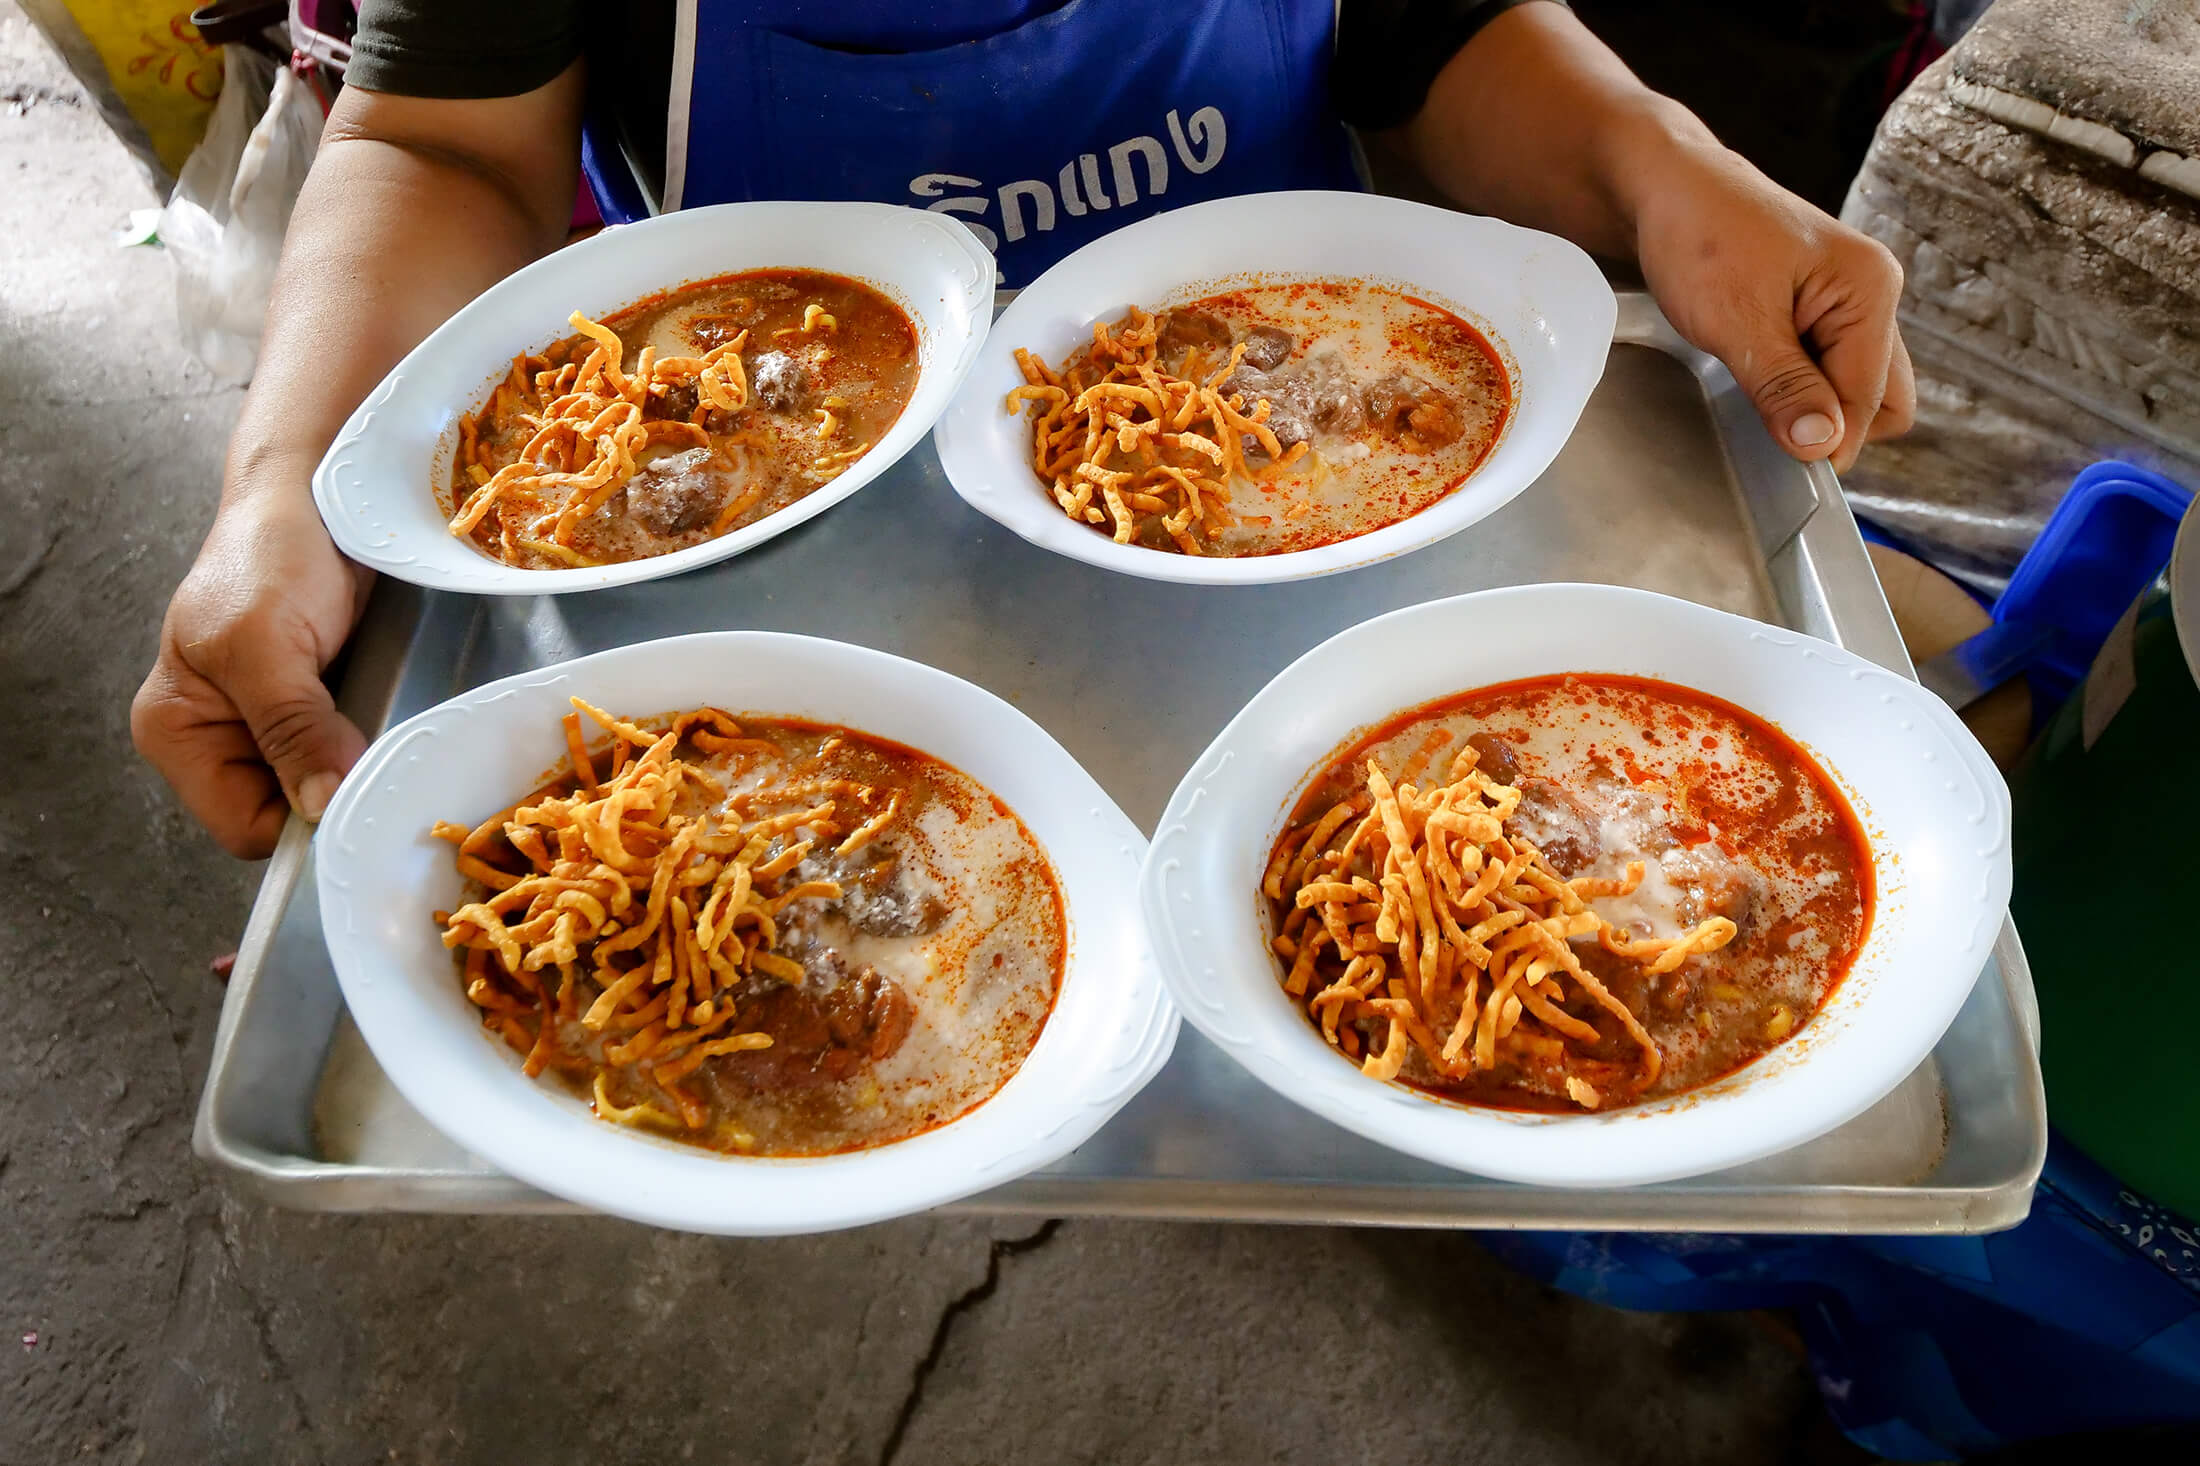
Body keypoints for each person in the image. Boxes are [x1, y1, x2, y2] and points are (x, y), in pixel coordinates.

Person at [133, 0, 1915, 858]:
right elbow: (447, 144)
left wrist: (1649, 159)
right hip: (824, 641)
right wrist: (290, 483)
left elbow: (1432, 30)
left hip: (1322, 507)